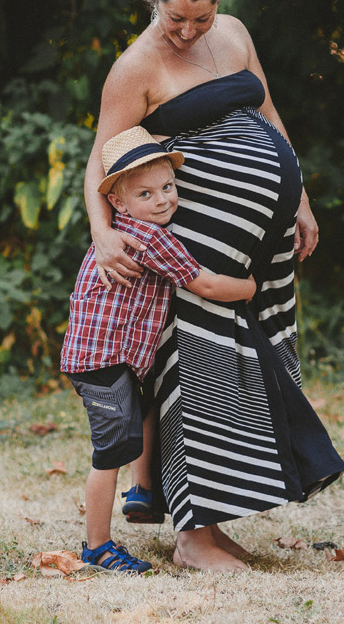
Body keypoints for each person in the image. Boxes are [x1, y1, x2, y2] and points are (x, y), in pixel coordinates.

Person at [84, 0, 344, 572]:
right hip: (193, 239)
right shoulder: (136, 67)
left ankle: (214, 524)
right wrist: (103, 232)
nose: (188, 30)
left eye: (200, 18)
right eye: (176, 18)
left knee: (247, 367)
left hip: (259, 244)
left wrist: (299, 196)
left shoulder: (232, 34)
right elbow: (102, 158)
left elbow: (269, 112)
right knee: (203, 369)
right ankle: (193, 537)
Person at [60, 126, 257, 573]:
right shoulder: (149, 237)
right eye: (146, 194)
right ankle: (97, 546)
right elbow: (203, 283)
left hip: (115, 358)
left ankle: (142, 491)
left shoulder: (133, 228)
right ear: (119, 203)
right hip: (103, 359)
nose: (163, 200)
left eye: (168, 187)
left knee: (147, 414)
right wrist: (250, 286)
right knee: (109, 452)